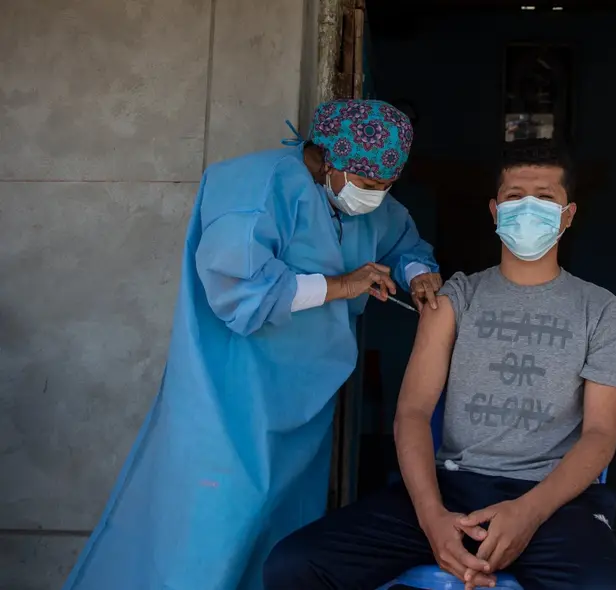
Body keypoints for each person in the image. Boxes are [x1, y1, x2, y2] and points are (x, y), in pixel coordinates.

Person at [62, 99, 442, 590]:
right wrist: (341, 285)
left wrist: (418, 274)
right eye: (369, 185)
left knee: (279, 540)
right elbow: (238, 291)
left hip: (306, 401)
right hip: (231, 398)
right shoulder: (256, 186)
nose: (376, 196)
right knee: (205, 539)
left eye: (386, 186)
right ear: (330, 158)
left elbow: (404, 242)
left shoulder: (366, 201)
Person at [264, 141, 616, 590]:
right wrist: (433, 520)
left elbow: (600, 436)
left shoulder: (600, 309)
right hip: (452, 489)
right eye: (515, 197)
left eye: (545, 198)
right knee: (294, 565)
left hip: (553, 501)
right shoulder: (455, 299)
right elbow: (413, 412)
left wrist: (528, 513)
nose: (528, 208)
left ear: (568, 215)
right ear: (495, 212)